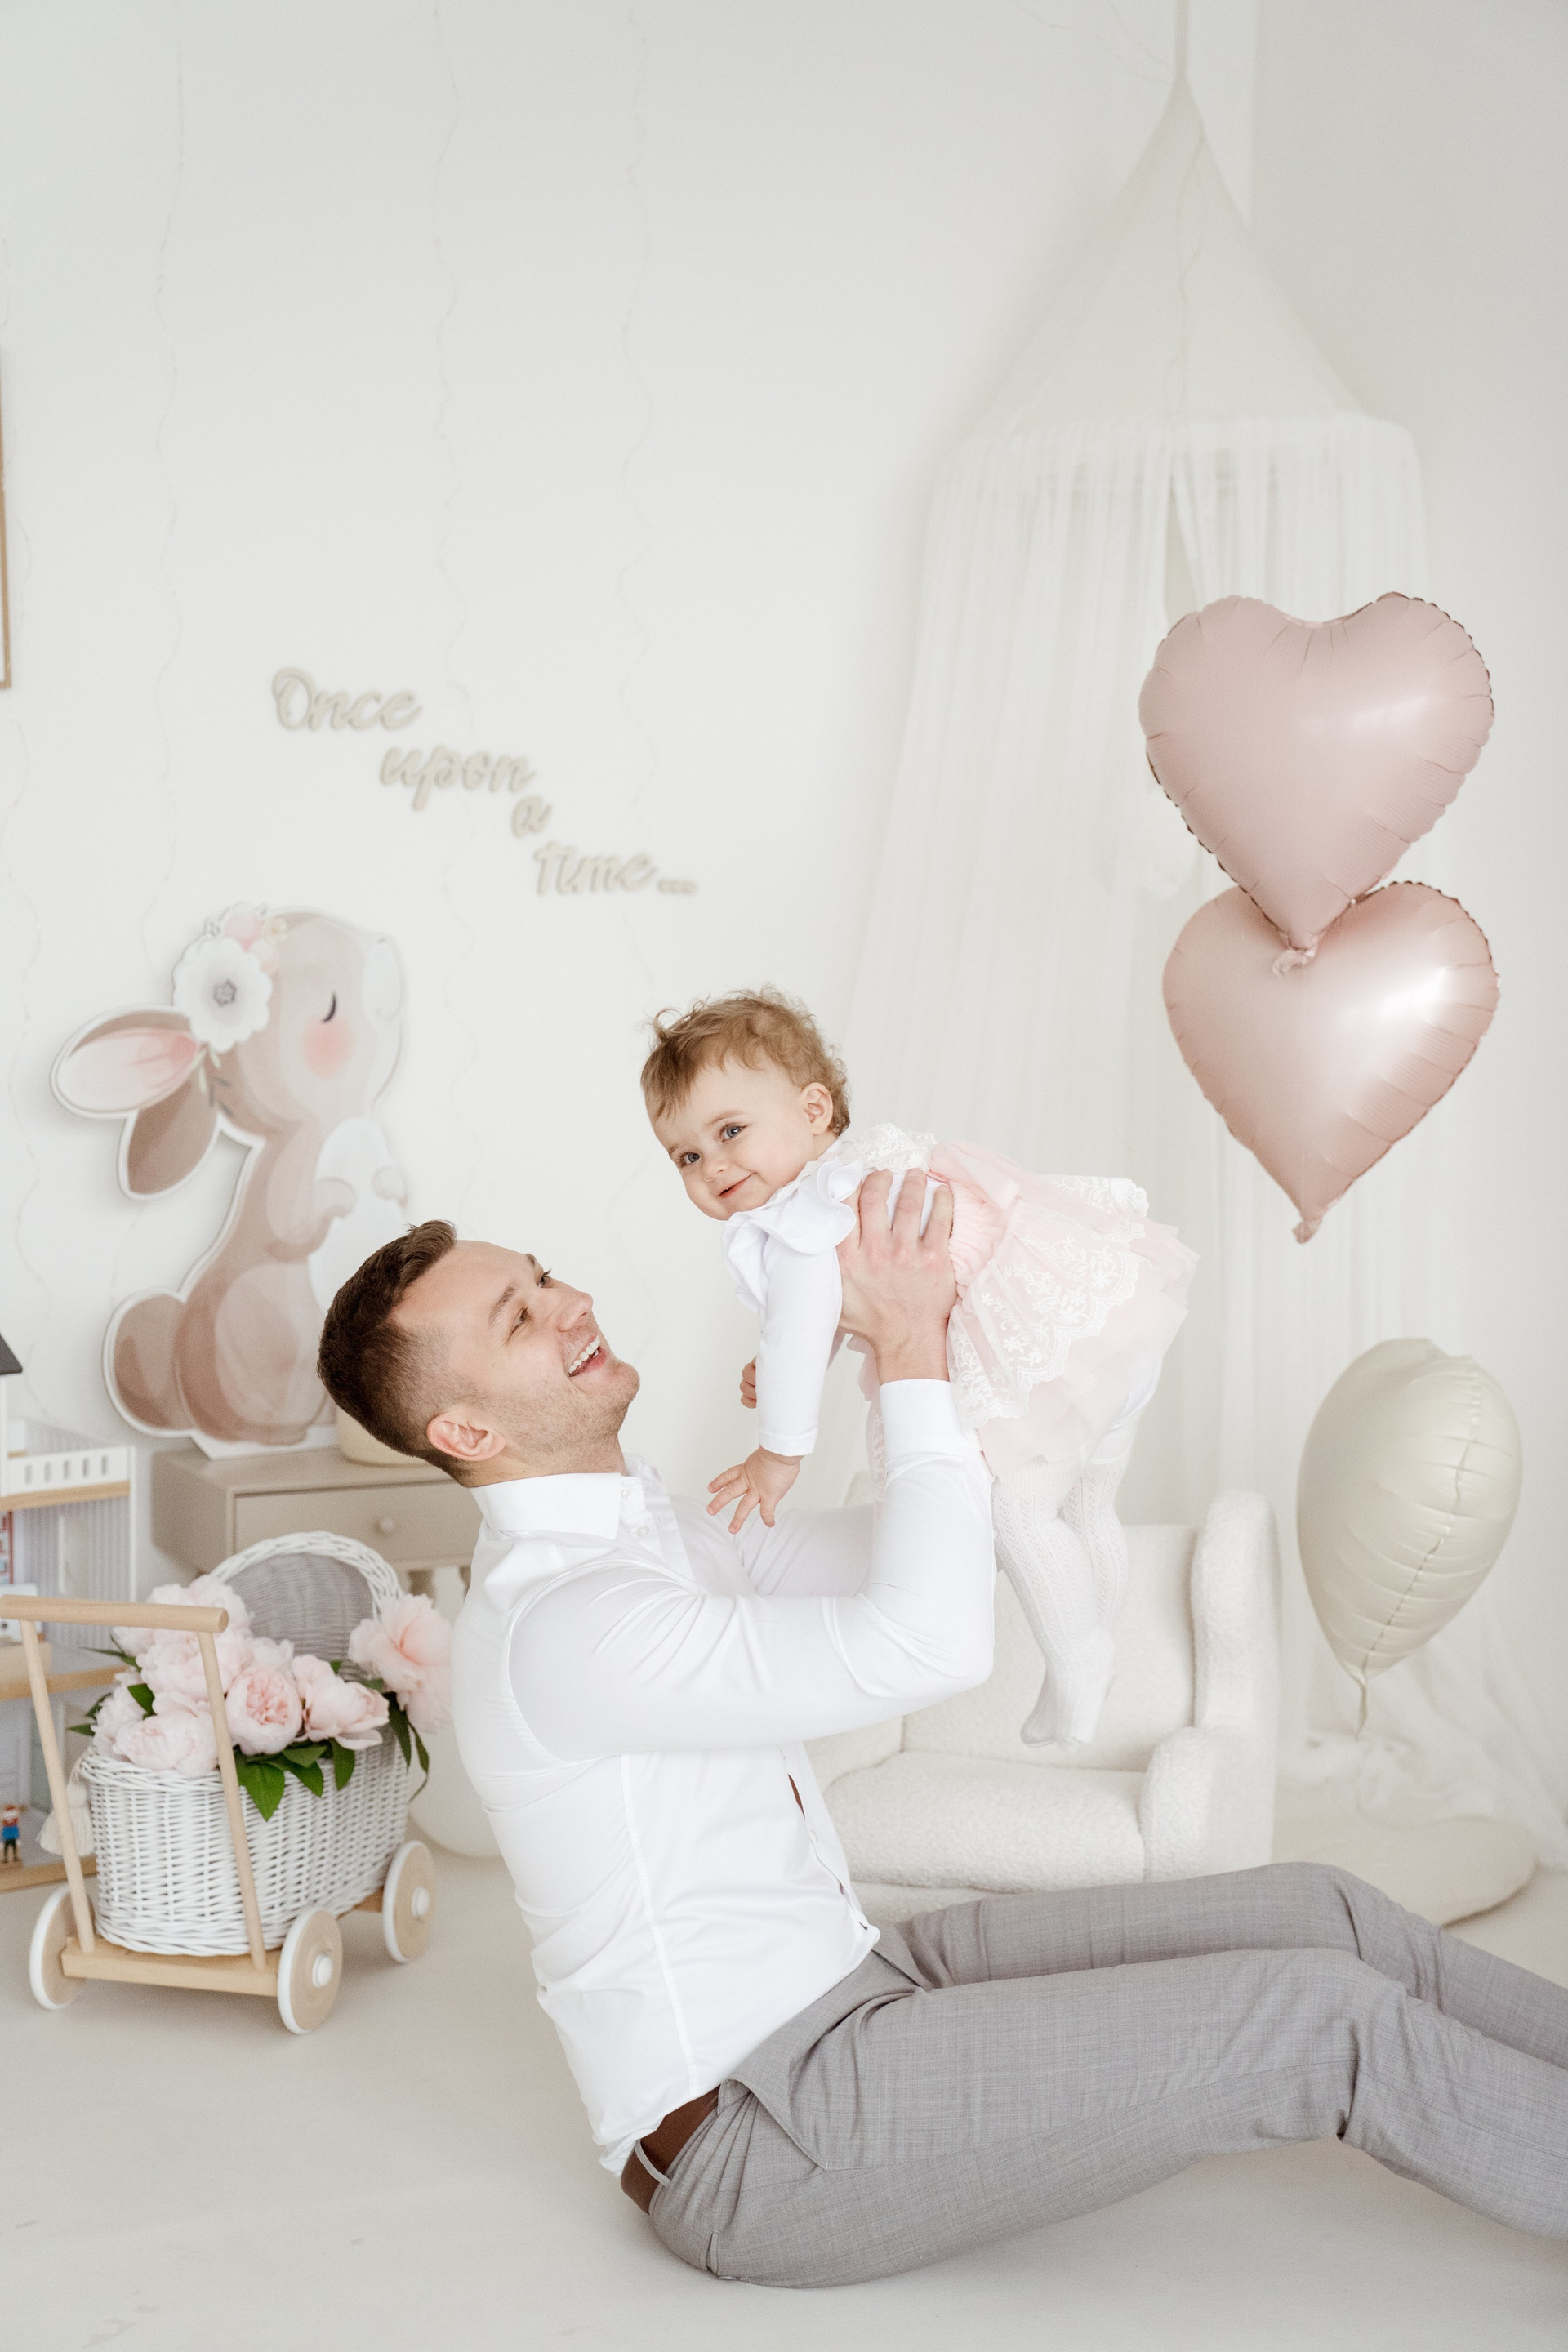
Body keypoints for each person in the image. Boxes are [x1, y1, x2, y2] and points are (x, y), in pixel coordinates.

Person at [316, 1188, 1568, 2287]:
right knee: (1322, 2019)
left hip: (860, 1981)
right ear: (466, 1434)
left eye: (542, 1278)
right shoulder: (568, 1626)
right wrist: (911, 1345)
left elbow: (944, 1548)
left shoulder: (657, 1534)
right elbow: (924, 1646)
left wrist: (904, 1351)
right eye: (520, 1319)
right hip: (761, 2134)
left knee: (1321, 1912)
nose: (569, 1303)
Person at [640, 987, 1195, 1744]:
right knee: (1088, 1503)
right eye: (687, 1156)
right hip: (1099, 1333)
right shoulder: (858, 1172)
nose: (713, 1165)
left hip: (1038, 1366)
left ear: (812, 1110)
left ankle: (1080, 1661)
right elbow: (836, 1310)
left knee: (1015, 1514)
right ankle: (1096, 1636)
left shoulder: (806, 1217)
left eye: (731, 1130)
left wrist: (777, 1456)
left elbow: (800, 1331)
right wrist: (781, 1365)